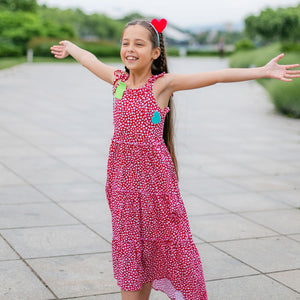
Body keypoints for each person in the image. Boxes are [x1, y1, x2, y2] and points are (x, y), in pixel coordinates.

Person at [50, 18, 300, 300]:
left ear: (155, 53)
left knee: (162, 243)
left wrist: (263, 71)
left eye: (139, 44)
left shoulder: (162, 85)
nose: (130, 49)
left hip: (156, 184)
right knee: (130, 245)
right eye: (125, 43)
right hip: (123, 183)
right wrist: (71, 46)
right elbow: (89, 59)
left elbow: (217, 75)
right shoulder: (117, 80)